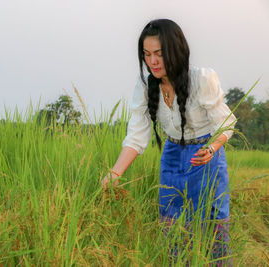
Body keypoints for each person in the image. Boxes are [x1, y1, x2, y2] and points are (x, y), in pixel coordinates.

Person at [101, 19, 235, 265]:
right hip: (172, 155)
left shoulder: (200, 79)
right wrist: (115, 172)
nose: (152, 61)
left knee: (213, 224)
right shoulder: (145, 86)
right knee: (173, 227)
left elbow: (225, 123)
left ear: (175, 51)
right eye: (147, 54)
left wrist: (212, 148)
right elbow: (137, 136)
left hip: (205, 155)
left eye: (159, 54)